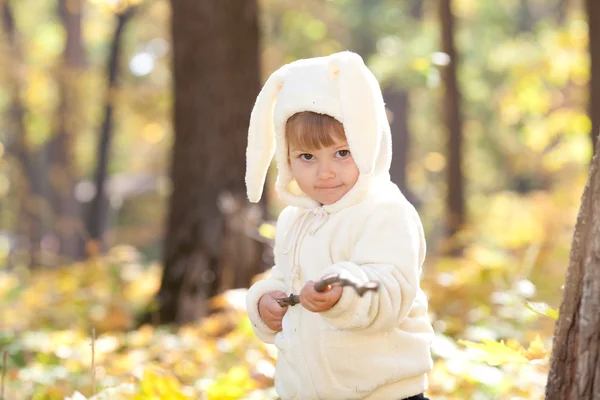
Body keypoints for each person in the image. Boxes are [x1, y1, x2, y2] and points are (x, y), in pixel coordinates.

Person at [245, 51, 434, 400]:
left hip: (383, 392)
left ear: (368, 143)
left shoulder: (384, 211)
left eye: (342, 153)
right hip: (305, 391)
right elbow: (286, 279)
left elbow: (390, 287)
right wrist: (267, 302)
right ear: (286, 160)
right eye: (307, 157)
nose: (325, 172)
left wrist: (343, 294)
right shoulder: (294, 219)